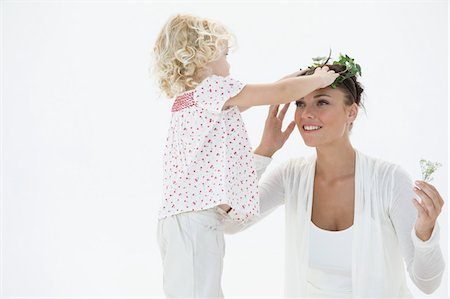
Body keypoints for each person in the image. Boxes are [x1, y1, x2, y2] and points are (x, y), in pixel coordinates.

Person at [224, 58, 445, 298]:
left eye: (321, 102)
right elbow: (229, 222)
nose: (306, 114)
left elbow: (428, 283)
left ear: (351, 112)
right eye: (300, 103)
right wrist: (264, 151)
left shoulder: (389, 181)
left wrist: (426, 233)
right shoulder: (291, 176)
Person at [151, 14, 338, 298]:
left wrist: (301, 77)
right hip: (195, 220)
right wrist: (319, 79)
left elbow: (273, 91)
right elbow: (278, 92)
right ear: (204, 58)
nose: (229, 65)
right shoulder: (214, 89)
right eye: (225, 55)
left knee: (194, 289)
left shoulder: (189, 102)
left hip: (180, 219)